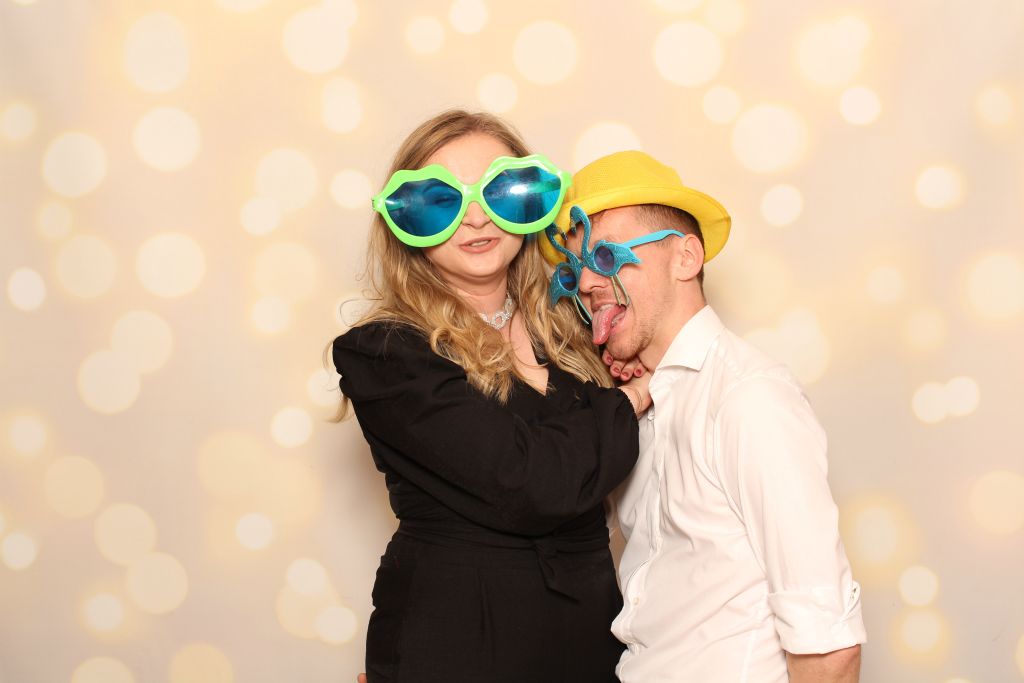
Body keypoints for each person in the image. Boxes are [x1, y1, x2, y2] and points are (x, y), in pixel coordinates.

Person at [330, 111, 651, 683]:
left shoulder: (571, 328)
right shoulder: (385, 353)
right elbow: (531, 484)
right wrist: (630, 399)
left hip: (591, 638)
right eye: (442, 200)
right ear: (405, 220)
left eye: (499, 192)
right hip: (458, 645)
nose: (476, 218)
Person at [541, 150, 867, 682]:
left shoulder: (748, 398)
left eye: (605, 255)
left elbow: (828, 644)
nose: (586, 283)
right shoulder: (629, 407)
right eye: (575, 268)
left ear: (686, 257)